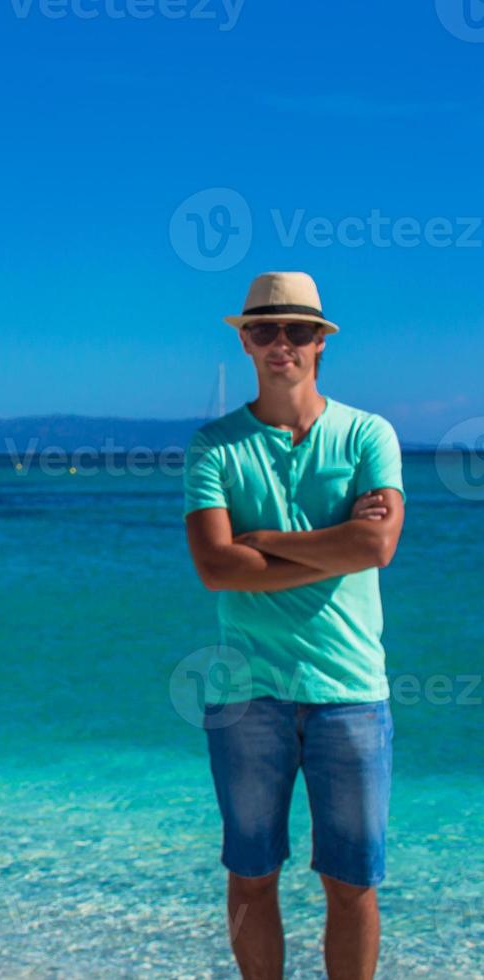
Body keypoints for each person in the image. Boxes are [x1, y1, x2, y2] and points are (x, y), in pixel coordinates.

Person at [183, 272, 405, 980]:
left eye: (296, 329)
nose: (280, 342)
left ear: (319, 342)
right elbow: (215, 568)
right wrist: (330, 544)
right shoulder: (212, 446)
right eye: (263, 329)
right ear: (244, 341)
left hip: (350, 692)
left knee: (352, 883)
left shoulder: (368, 433)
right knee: (251, 875)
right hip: (247, 698)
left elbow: (375, 547)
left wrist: (265, 540)